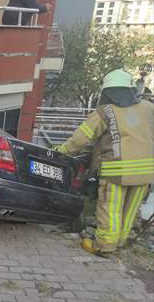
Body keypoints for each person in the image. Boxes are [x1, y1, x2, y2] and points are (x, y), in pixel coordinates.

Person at [55, 69, 154, 256]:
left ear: (106, 92)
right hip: (145, 173)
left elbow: (79, 140)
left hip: (116, 172)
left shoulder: (104, 112)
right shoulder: (148, 108)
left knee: (110, 211)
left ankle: (104, 247)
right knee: (129, 212)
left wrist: (60, 150)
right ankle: (120, 243)